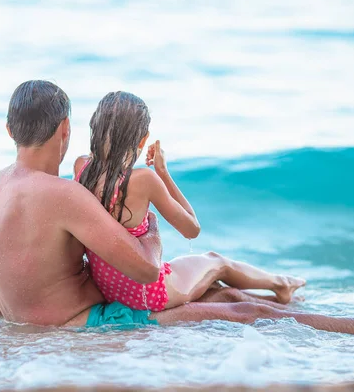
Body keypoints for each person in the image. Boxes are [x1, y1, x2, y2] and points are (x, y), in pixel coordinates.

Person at [0, 79, 354, 336]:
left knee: (218, 295)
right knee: (235, 308)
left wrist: (19, 327)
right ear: (66, 130)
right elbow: (141, 269)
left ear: (9, 131)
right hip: (89, 325)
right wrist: (151, 232)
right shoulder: (61, 194)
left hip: (48, 325)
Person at [74, 91, 305, 313]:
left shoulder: (81, 168)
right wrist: (163, 172)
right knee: (216, 262)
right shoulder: (143, 180)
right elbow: (192, 229)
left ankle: (272, 295)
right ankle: (280, 283)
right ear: (142, 139)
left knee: (211, 283)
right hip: (148, 294)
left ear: (95, 128)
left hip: (109, 289)